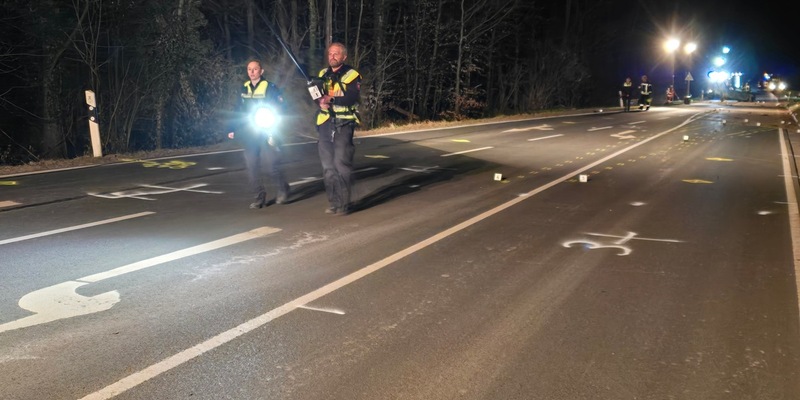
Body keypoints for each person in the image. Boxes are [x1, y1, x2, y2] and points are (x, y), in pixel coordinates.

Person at [228, 59, 290, 209]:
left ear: (261, 71)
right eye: (249, 69)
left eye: (255, 69)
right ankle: (259, 198)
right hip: (249, 132)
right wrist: (232, 128)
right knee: (252, 166)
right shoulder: (244, 88)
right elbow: (237, 109)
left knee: (271, 165)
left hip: (267, 130)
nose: (252, 72)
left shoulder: (271, 87)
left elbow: (282, 106)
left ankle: (283, 188)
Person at [315, 42, 362, 215]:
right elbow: (316, 95)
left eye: (336, 54)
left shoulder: (352, 75)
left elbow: (351, 97)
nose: (332, 56)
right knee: (327, 166)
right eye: (330, 54)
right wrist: (319, 101)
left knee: (341, 163)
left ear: (344, 57)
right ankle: (333, 202)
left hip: (344, 123)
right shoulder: (322, 74)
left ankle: (343, 204)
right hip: (325, 123)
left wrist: (331, 100)